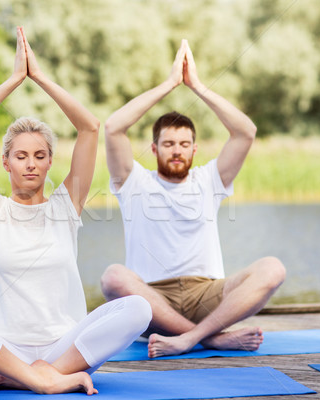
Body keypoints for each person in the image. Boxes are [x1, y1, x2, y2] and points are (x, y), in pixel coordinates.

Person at [0, 27, 152, 395]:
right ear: (6, 163)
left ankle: (39, 376)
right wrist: (16, 78)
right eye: (21, 155)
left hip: (68, 350)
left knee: (139, 309)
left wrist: (40, 77)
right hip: (2, 355)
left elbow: (89, 127)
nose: (31, 164)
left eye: (40, 155)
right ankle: (43, 382)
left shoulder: (66, 205)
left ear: (49, 163)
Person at [100, 39, 285, 358]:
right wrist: (170, 84)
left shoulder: (210, 179)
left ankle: (189, 337)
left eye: (184, 144)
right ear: (154, 149)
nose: (177, 150)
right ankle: (211, 340)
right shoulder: (133, 182)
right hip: (152, 302)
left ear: (194, 150)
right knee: (113, 277)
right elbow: (114, 127)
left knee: (273, 269)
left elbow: (246, 132)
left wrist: (197, 86)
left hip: (207, 295)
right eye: (168, 143)